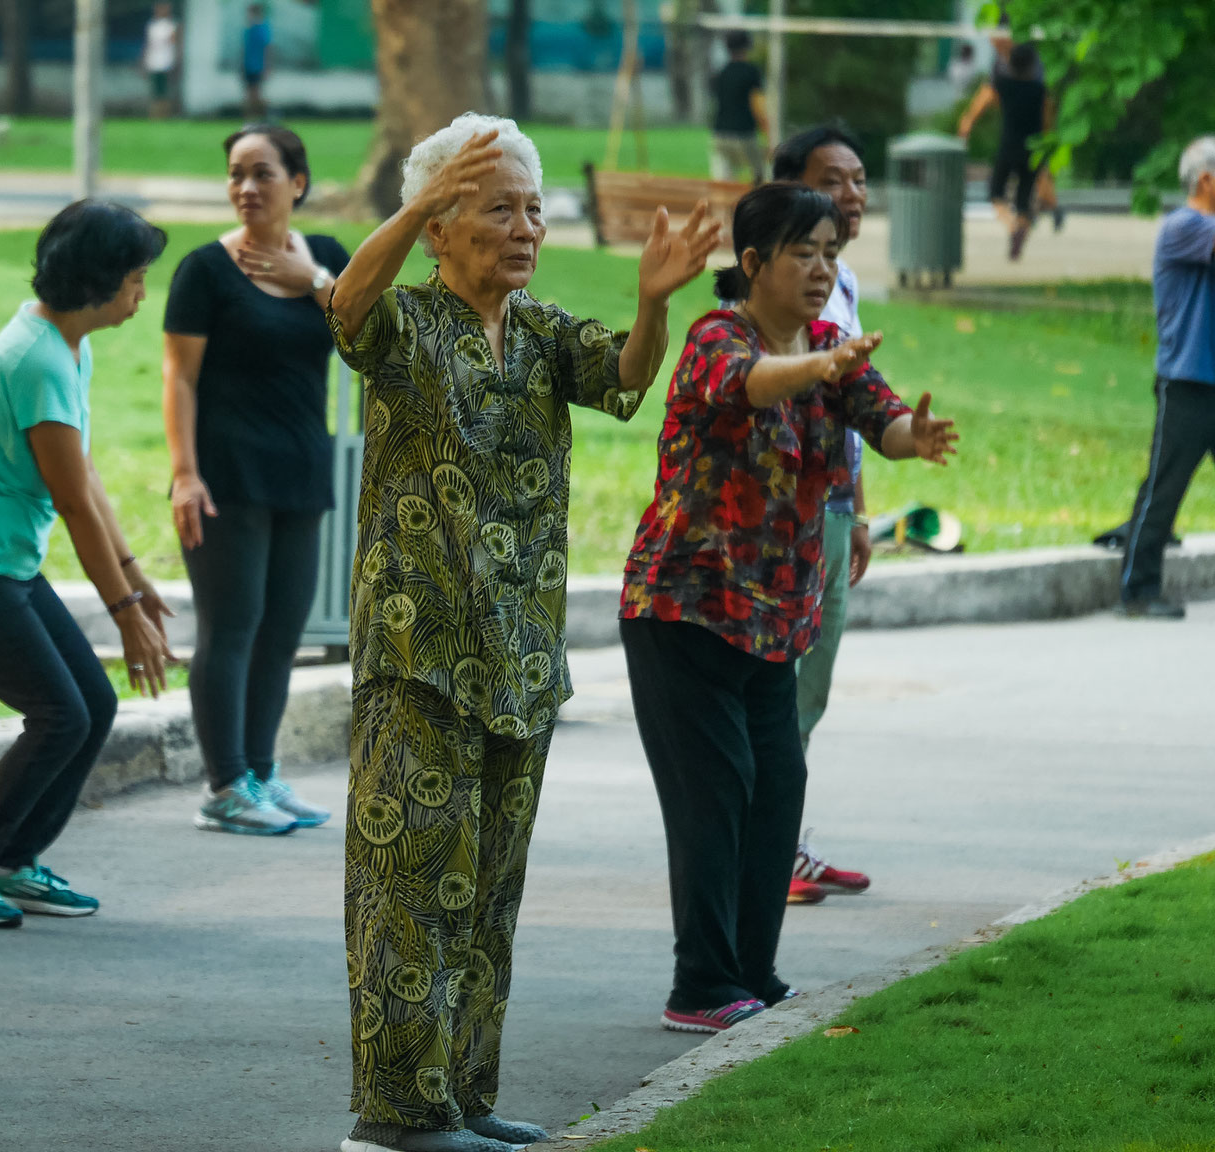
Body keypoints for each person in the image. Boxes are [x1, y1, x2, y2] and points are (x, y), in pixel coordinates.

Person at [327, 113, 717, 1152]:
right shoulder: (404, 325)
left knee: (487, 895)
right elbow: (341, 307)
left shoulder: (542, 333)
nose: (525, 227)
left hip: (519, 664)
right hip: (419, 664)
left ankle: (464, 1097)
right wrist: (411, 199)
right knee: (410, 890)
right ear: (442, 229)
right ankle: (394, 1114)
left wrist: (650, 303)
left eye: (534, 208)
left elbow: (627, 379)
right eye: (497, 207)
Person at [620, 182, 956, 1039]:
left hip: (774, 621)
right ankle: (698, 984)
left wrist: (912, 440)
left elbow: (878, 418)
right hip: (683, 608)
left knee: (777, 789)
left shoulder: (831, 349)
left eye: (832, 254)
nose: (820, 269)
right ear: (754, 262)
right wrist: (820, 368)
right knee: (716, 792)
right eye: (803, 253)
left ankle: (751, 972)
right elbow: (750, 385)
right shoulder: (716, 339)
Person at [0, 200, 174, 929]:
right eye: (137, 279)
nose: (141, 295)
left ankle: (14, 862)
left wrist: (133, 573)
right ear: (102, 282)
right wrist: (123, 614)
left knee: (93, 706)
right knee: (59, 714)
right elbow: (75, 505)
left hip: (2, 564)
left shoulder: (64, 348)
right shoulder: (39, 362)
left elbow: (83, 477)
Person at [163, 123, 346, 838]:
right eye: (237, 174)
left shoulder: (328, 259)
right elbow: (180, 378)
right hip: (226, 474)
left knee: (281, 629)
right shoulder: (204, 272)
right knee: (231, 627)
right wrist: (184, 474)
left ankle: (262, 773)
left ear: (297, 183)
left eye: (263, 173)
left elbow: (371, 332)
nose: (247, 188)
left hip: (302, 468)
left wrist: (318, 287)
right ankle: (225, 784)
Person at [769, 123, 878, 906]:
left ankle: (787, 841)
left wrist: (863, 510)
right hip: (786, 510)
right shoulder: (776, 283)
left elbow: (852, 409)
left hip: (836, 503)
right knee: (785, 682)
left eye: (861, 180)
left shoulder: (841, 282)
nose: (853, 195)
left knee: (815, 685)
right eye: (834, 180)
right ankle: (766, 853)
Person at [1115, 137, 1215, 620]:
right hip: (1186, 381)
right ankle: (1137, 590)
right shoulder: (1185, 227)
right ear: (1206, 180)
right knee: (1165, 486)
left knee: (1163, 483)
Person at [958, 40, 1051, 260]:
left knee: (995, 193)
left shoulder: (1003, 85)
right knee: (1024, 199)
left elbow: (983, 100)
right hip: (1033, 149)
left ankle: (1011, 227)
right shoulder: (1040, 90)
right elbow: (1048, 121)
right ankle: (1020, 228)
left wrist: (967, 122)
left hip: (1009, 146)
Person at [709, 30, 766, 184]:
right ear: (747, 47)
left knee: (723, 182)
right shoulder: (751, 72)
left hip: (720, 133)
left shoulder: (721, 73)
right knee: (759, 176)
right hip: (744, 133)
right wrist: (767, 130)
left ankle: (721, 209)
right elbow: (757, 103)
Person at [145, 2, 179, 119]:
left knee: (165, 90)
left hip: (167, 62)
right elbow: (149, 45)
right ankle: (155, 114)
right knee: (155, 90)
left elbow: (174, 43)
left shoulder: (171, 25)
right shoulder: (152, 26)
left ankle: (166, 114)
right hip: (154, 62)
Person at [242, 3, 271, 120]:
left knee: (255, 94)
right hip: (248, 66)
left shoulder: (262, 29)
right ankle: (250, 118)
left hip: (258, 66)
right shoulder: (248, 30)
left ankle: (268, 114)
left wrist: (267, 67)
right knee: (249, 94)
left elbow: (268, 50)